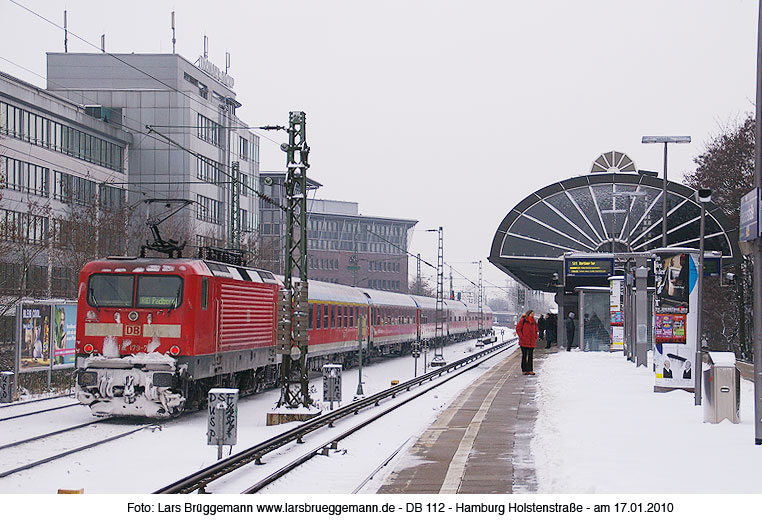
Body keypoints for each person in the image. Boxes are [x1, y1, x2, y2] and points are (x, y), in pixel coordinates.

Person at [516, 310, 539, 375]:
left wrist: (535, 336)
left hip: (531, 341)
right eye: (531, 314)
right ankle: (524, 370)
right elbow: (518, 329)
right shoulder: (523, 321)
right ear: (528, 314)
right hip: (524, 341)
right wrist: (522, 336)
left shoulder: (534, 322)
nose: (533, 315)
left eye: (533, 314)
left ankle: (530, 370)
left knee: (530, 356)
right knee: (524, 355)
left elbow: (536, 330)